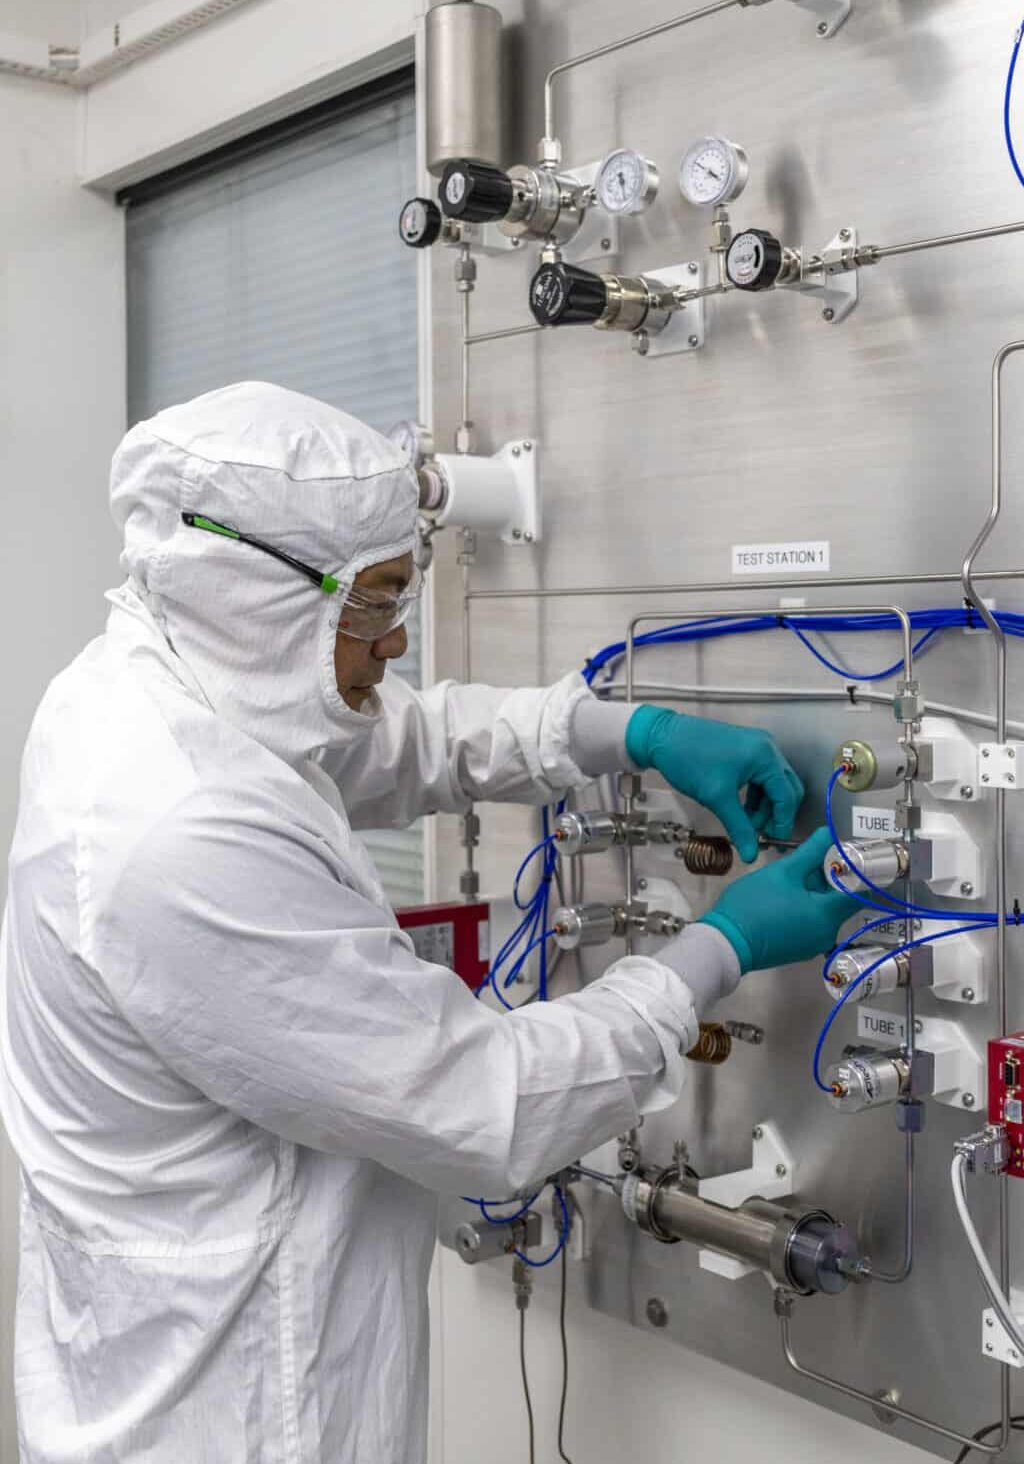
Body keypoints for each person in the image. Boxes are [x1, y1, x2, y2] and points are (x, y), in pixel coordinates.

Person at [0, 382, 858, 1464]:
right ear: (254, 593)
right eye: (376, 603)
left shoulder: (164, 680)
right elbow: (485, 1107)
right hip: (232, 1411)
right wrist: (717, 948)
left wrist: (622, 730)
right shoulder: (175, 830)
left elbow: (395, 738)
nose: (395, 642)